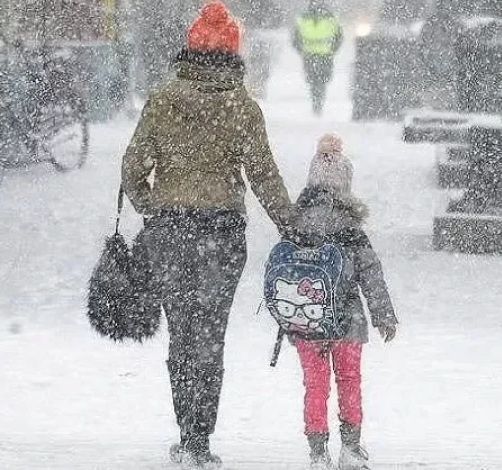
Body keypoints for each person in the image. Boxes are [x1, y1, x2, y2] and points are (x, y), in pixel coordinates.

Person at [121, 2, 292, 468]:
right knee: (210, 334)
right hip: (221, 230)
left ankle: (185, 429)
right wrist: (291, 226)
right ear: (234, 54)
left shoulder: (161, 102)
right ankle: (201, 440)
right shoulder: (242, 107)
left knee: (180, 332)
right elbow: (264, 177)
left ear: (190, 50)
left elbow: (132, 169)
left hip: (170, 230)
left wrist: (151, 209)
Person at [287, 134, 398, 470]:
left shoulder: (295, 225)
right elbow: (371, 273)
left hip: (308, 319)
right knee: (349, 380)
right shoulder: (351, 226)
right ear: (346, 183)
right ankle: (350, 448)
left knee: (315, 386)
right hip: (348, 318)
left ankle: (317, 451)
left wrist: (287, 316)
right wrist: (383, 316)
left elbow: (283, 274)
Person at [293, 1, 343, 116]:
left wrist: (303, 50)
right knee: (320, 81)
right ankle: (318, 103)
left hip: (311, 56)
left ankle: (316, 103)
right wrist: (332, 50)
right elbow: (339, 38)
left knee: (314, 81)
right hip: (324, 55)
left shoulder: (303, 19)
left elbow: (295, 39)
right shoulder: (331, 19)